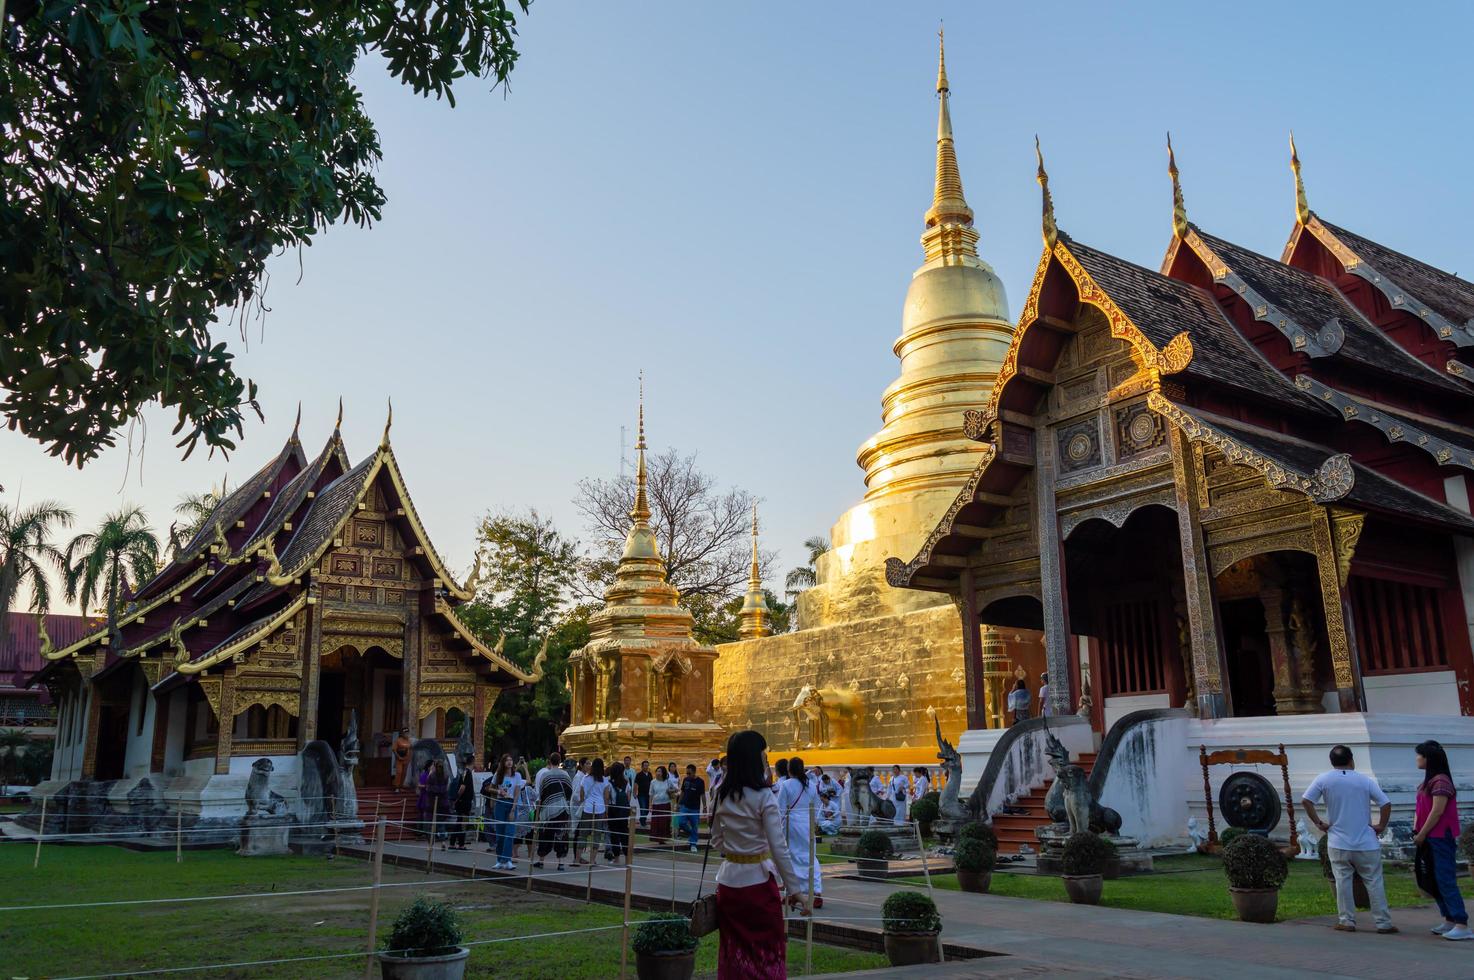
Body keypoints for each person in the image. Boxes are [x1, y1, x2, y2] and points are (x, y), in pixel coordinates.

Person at [709, 730, 808, 979]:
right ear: (755, 759)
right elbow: (779, 847)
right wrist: (795, 889)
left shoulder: (720, 794)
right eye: (764, 754)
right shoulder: (764, 797)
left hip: (729, 882)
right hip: (758, 883)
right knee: (767, 952)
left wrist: (735, 850)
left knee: (733, 953)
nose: (767, 759)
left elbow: (716, 839)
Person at [1301, 744, 1396, 934]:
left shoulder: (1324, 779)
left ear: (1331, 762)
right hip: (1366, 841)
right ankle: (1383, 922)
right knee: (1374, 881)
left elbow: (1306, 800)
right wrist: (1380, 825)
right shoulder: (1364, 780)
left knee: (1342, 880)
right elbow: (1385, 803)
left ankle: (1347, 920)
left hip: (1338, 840)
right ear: (1351, 760)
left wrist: (1319, 822)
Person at [1413, 740, 1469, 939]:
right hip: (1427, 836)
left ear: (1429, 758)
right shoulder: (1427, 782)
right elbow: (1420, 809)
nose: (1417, 758)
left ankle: (1461, 923)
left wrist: (1422, 833)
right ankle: (1449, 918)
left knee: (1445, 878)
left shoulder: (1441, 782)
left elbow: (1437, 812)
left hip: (1438, 835)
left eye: (1420, 755)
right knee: (1434, 879)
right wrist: (1416, 830)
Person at [778, 757, 823, 909]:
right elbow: (817, 806)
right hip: (807, 823)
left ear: (790, 769)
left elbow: (781, 809)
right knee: (810, 856)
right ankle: (816, 891)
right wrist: (814, 822)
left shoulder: (786, 785)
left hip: (792, 824)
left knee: (792, 857)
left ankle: (793, 891)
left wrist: (778, 825)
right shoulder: (811, 785)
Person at [533, 751, 573, 871]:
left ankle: (541, 861)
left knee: (545, 834)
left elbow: (541, 793)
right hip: (562, 809)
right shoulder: (565, 775)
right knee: (561, 835)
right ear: (560, 761)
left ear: (550, 761)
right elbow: (569, 792)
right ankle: (560, 863)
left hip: (548, 810)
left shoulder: (546, 775)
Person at [483, 754, 521, 870]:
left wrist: (513, 808)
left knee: (509, 833)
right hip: (500, 803)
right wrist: (498, 791)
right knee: (500, 833)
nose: (509, 762)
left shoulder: (517, 775)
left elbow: (516, 792)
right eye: (507, 760)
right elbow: (489, 788)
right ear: (503, 763)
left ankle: (507, 860)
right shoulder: (498, 775)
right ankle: (499, 859)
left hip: (511, 804)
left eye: (511, 760)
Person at [576, 758, 610, 865]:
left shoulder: (585, 779)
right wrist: (606, 811)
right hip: (600, 809)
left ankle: (577, 860)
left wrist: (584, 801)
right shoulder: (605, 781)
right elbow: (606, 797)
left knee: (583, 834)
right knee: (597, 835)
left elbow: (581, 795)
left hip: (587, 808)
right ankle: (592, 860)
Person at [606, 762, 632, 865]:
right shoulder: (626, 783)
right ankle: (627, 858)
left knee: (614, 835)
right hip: (623, 810)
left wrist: (606, 812)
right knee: (624, 834)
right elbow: (628, 797)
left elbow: (607, 798)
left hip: (613, 810)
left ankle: (616, 858)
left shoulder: (609, 783)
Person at [448, 757, 476, 850]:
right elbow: (462, 787)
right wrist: (457, 798)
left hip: (462, 801)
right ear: (473, 762)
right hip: (464, 802)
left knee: (459, 822)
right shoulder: (467, 773)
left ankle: (454, 842)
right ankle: (460, 844)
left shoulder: (464, 772)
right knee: (463, 822)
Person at [678, 763, 705, 853]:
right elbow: (682, 792)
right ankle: (692, 834)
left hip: (695, 808)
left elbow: (703, 795)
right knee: (681, 822)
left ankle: (693, 844)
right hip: (684, 806)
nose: (688, 775)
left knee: (695, 826)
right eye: (687, 773)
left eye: (689, 773)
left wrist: (704, 806)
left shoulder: (700, 782)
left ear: (694, 772)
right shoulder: (685, 780)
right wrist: (679, 803)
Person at [426, 760, 450, 845]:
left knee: (429, 824)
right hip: (443, 803)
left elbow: (428, 788)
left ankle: (430, 844)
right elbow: (446, 789)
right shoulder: (446, 776)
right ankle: (443, 842)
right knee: (441, 823)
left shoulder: (432, 776)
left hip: (432, 802)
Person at [649, 765, 676, 843]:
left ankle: (663, 838)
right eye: (657, 771)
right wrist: (650, 805)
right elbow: (651, 794)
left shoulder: (668, 781)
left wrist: (670, 791)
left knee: (664, 821)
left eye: (660, 771)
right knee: (656, 822)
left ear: (663, 773)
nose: (658, 773)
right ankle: (657, 838)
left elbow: (676, 789)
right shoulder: (653, 782)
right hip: (656, 805)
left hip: (665, 804)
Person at [391, 728, 412, 793]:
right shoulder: (398, 740)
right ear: (402, 734)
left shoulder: (408, 740)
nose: (406, 734)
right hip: (399, 759)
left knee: (404, 773)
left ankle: (401, 786)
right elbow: (394, 750)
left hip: (406, 759)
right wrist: (398, 757)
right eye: (405, 733)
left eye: (407, 733)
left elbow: (410, 748)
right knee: (399, 772)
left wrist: (409, 757)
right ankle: (396, 787)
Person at [635, 760, 653, 829]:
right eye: (645, 765)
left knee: (647, 809)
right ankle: (643, 822)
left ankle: (642, 819)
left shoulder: (650, 774)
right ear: (642, 766)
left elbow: (652, 784)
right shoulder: (639, 775)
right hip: (641, 795)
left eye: (647, 765)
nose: (646, 767)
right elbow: (636, 784)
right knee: (643, 808)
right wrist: (635, 792)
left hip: (648, 795)